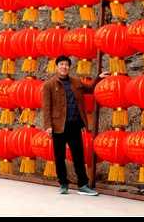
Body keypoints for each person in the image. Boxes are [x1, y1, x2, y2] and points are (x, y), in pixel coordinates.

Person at [40, 55, 109, 195]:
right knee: (59, 157)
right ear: (57, 66)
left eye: (66, 64)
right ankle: (63, 184)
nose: (64, 67)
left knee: (79, 156)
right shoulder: (49, 85)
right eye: (61, 64)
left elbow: (90, 89)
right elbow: (46, 107)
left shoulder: (76, 82)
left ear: (69, 67)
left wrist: (99, 77)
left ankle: (83, 185)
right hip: (58, 126)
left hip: (74, 125)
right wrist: (48, 126)